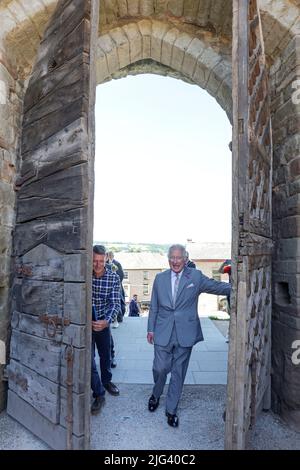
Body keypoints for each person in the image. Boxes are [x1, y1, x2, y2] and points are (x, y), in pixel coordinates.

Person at [147, 244, 231, 427]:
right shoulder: (159, 278)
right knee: (160, 368)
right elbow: (154, 305)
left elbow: (216, 286)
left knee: (178, 371)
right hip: (162, 330)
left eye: (179, 258)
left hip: (186, 332)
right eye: (172, 258)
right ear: (168, 259)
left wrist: (240, 285)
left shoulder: (195, 276)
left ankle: (171, 410)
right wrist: (150, 329)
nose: (175, 261)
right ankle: (156, 393)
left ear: (185, 259)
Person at [91, 245, 121, 414]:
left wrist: (107, 321)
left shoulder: (113, 277)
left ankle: (106, 381)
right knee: (89, 359)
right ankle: (98, 393)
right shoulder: (84, 273)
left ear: (106, 260)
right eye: (94, 261)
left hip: (103, 321)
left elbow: (115, 303)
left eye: (101, 261)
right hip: (85, 323)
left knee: (105, 354)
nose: (97, 264)